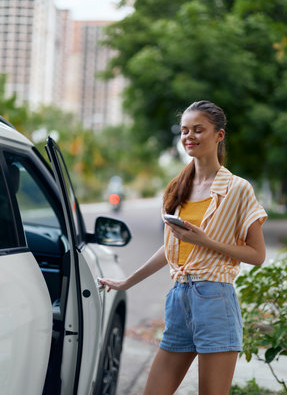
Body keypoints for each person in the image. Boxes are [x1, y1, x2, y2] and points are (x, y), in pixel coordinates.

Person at [98, 100, 267, 395]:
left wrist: (205, 241)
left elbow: (257, 255)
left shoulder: (238, 189)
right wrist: (128, 282)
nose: (189, 136)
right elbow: (170, 248)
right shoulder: (178, 187)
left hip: (215, 299)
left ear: (219, 135)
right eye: (185, 130)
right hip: (179, 299)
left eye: (198, 130)